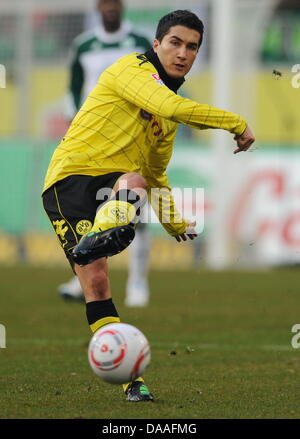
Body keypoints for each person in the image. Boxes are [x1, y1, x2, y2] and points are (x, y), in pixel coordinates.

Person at [42, 10, 255, 402]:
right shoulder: (133, 69)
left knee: (132, 192)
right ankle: (101, 238)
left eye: (192, 47)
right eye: (175, 42)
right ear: (156, 45)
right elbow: (172, 107)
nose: (182, 53)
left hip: (115, 184)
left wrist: (175, 225)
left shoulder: (167, 119)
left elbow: (156, 176)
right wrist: (235, 122)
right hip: (69, 179)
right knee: (103, 265)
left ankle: (130, 380)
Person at [59, 0, 152, 307]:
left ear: (122, 6)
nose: (110, 8)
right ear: (98, 7)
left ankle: (138, 281)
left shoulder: (138, 43)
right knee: (88, 211)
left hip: (128, 137)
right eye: (105, 3)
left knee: (133, 204)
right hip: (91, 141)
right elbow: (74, 88)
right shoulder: (83, 45)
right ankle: (83, 276)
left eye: (115, 2)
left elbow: (151, 84)